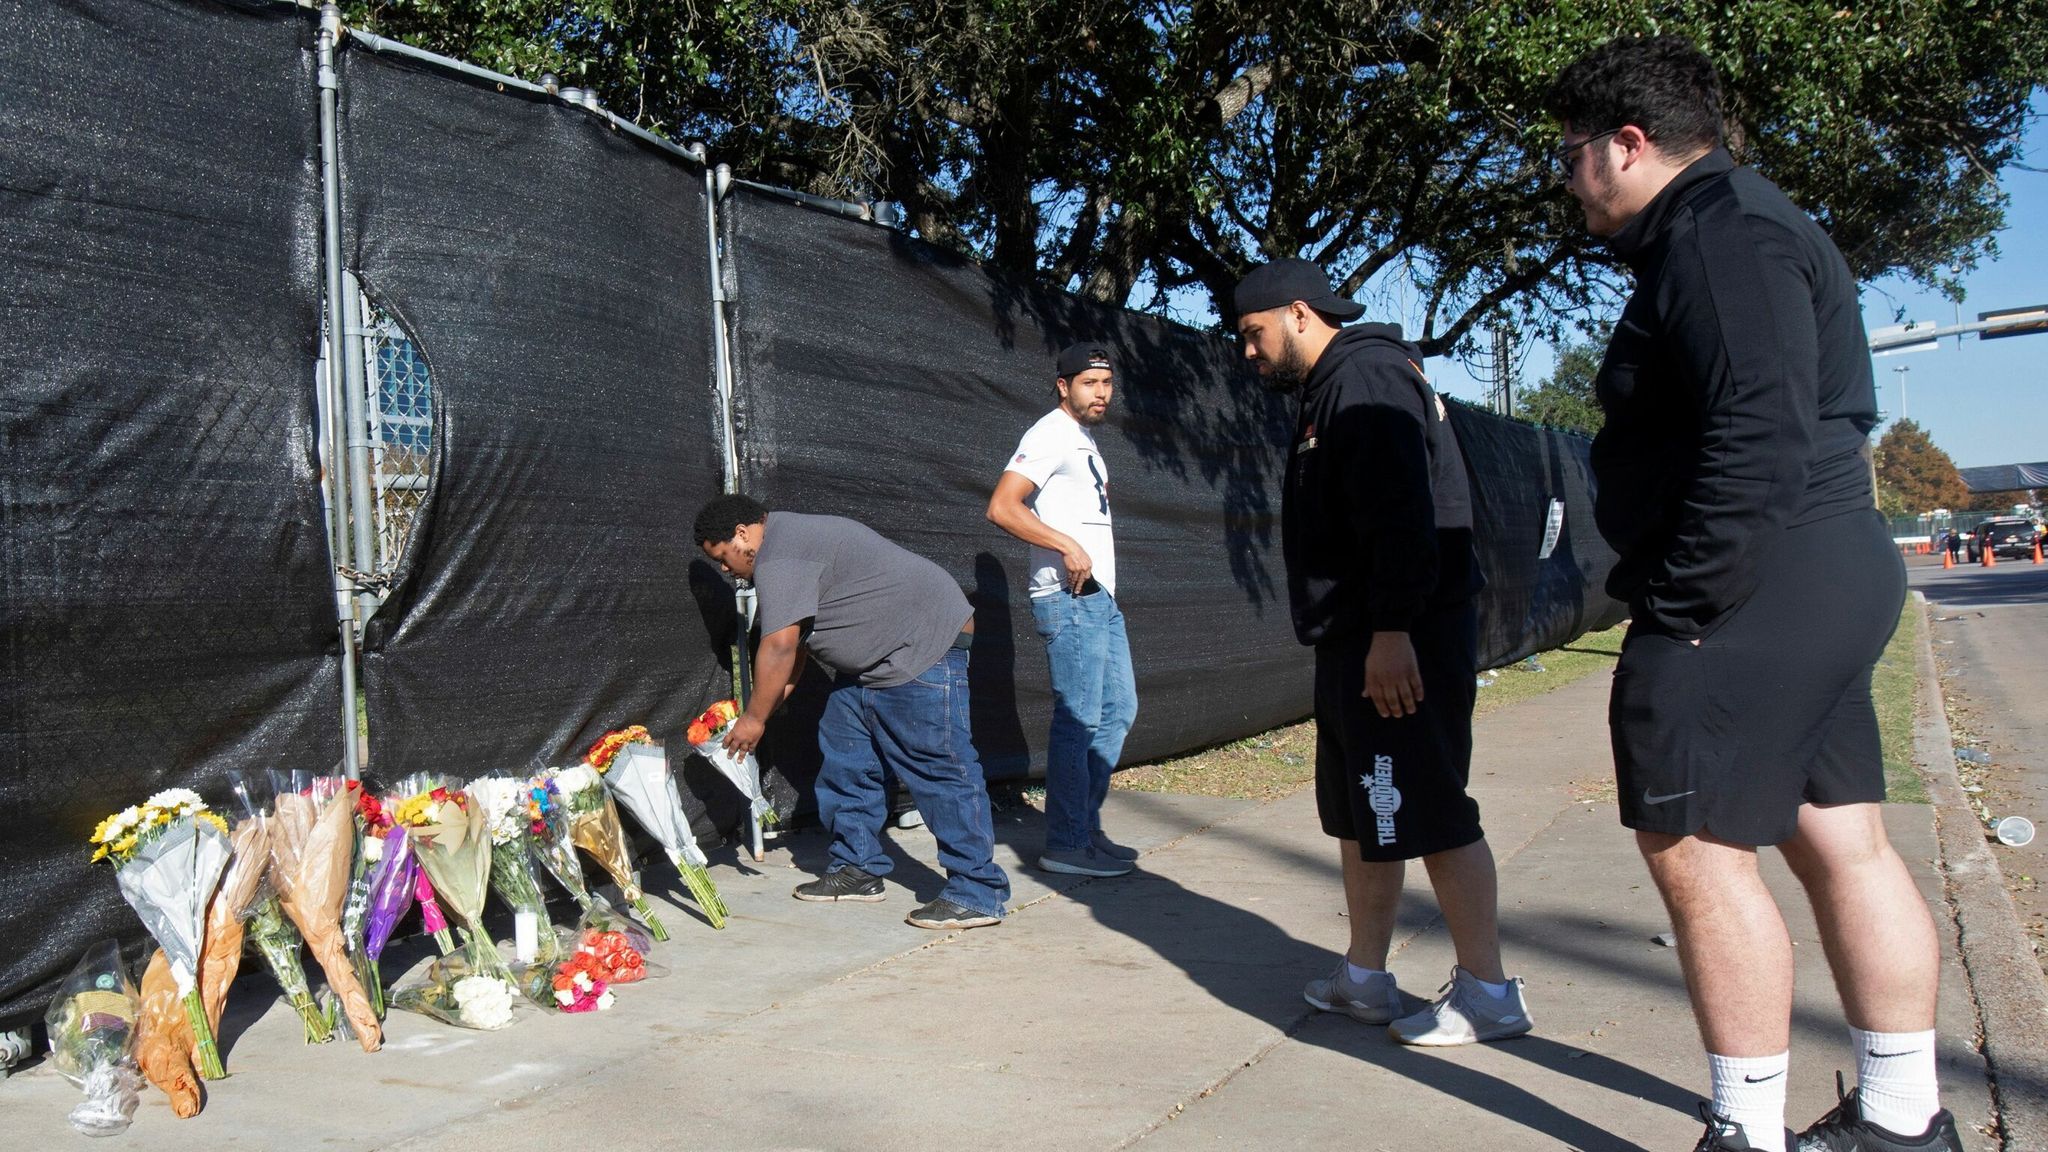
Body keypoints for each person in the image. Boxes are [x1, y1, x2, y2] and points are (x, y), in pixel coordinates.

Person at [1547, 37, 1953, 1152]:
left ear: (1625, 147)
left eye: (1569, 154)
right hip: (1810, 571)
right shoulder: (1739, 224)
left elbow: (1757, 434)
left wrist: (1681, 606)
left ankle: (1744, 1132)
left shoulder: (1721, 236)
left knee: (1697, 851)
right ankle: (1901, 1119)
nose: (1565, 178)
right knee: (1839, 840)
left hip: (1755, 587)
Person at [1234, 257, 1530, 1047]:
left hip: (1397, 641)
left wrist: (1394, 632)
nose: (1249, 354)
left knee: (1428, 807)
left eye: (1253, 334)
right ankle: (1366, 978)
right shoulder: (1336, 387)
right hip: (1359, 640)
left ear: (1298, 314)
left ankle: (1489, 994)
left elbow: (1405, 517)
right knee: (1370, 810)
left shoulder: (1363, 380)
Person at [694, 493, 1011, 931]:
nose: (726, 570)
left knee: (941, 769)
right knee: (847, 761)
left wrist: (754, 719)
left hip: (920, 647)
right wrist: (763, 711)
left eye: (723, 557)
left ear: (742, 533)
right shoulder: (788, 544)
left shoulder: (780, 557)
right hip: (868, 663)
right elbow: (798, 649)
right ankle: (859, 868)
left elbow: (781, 645)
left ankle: (978, 891)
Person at [986, 340, 1140, 879]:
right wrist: (1066, 546)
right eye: (1089, 383)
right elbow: (1002, 506)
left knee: (1118, 711)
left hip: (1100, 598)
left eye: (1107, 383)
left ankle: (1084, 829)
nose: (1101, 393)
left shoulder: (1084, 440)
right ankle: (1067, 843)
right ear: (1063, 386)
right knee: (1078, 720)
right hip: (1068, 596)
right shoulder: (1049, 433)